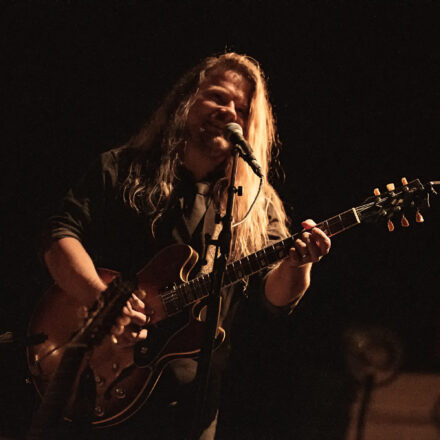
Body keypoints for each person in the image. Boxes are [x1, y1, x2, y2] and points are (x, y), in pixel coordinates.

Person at [38, 52, 331, 439]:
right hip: (94, 378)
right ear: (186, 100)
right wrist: (103, 301)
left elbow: (275, 298)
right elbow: (59, 236)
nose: (228, 111)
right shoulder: (122, 168)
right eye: (218, 97)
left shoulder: (257, 204)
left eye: (241, 108)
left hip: (189, 405)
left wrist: (299, 265)